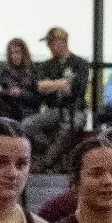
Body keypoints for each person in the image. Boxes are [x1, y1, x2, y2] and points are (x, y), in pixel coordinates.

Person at [26, 28, 90, 169]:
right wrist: (61, 84)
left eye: (51, 43)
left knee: (69, 126)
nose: (49, 47)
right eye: (48, 43)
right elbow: (39, 87)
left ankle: (46, 162)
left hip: (76, 109)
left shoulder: (80, 64)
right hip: (53, 109)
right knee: (27, 124)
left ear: (63, 42)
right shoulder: (46, 65)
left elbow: (75, 89)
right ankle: (51, 150)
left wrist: (51, 85)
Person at [0, 39, 41, 123]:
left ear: (24, 53)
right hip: (4, 109)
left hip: (25, 111)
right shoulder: (2, 70)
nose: (14, 56)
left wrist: (21, 93)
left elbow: (37, 99)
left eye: (17, 52)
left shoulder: (34, 71)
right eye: (11, 53)